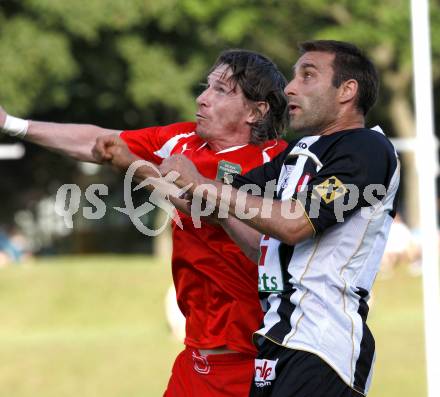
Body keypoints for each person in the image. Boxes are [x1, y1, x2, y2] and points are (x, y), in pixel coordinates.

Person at [0, 49, 288, 396]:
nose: (202, 98)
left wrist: (135, 166)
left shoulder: (278, 164)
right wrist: (10, 124)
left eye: (221, 91)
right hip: (196, 360)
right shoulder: (183, 141)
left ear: (257, 112)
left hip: (257, 363)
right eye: (206, 86)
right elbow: (101, 142)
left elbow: (210, 208)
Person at [158, 40, 400, 397]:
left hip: (322, 346)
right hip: (275, 341)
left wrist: (201, 185)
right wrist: (156, 174)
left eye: (308, 75)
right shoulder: (295, 157)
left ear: (348, 91)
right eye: (293, 76)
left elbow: (295, 224)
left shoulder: (366, 147)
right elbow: (220, 206)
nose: (290, 87)